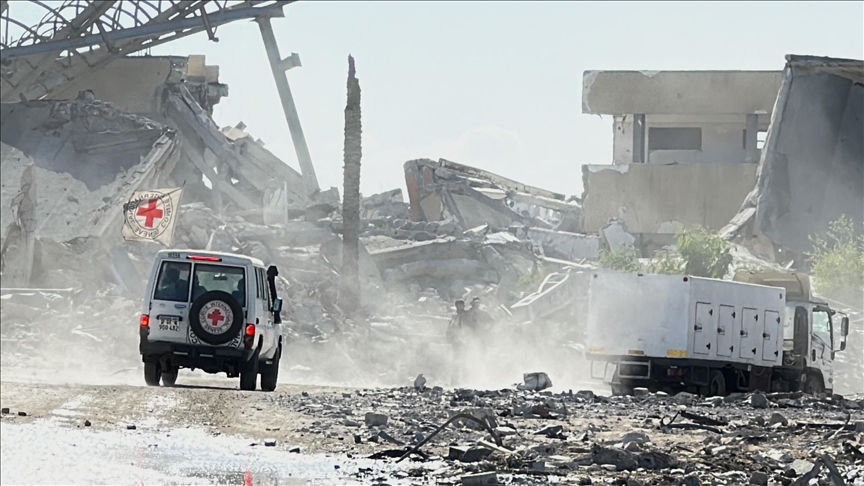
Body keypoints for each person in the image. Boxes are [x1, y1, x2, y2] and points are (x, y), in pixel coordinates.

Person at [446, 300, 470, 386]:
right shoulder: (455, 317)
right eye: (458, 306)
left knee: (466, 361)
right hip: (458, 342)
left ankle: (465, 381)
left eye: (461, 306)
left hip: (466, 341)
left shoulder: (467, 316)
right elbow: (450, 329)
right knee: (457, 361)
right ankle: (455, 382)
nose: (460, 308)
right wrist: (451, 338)